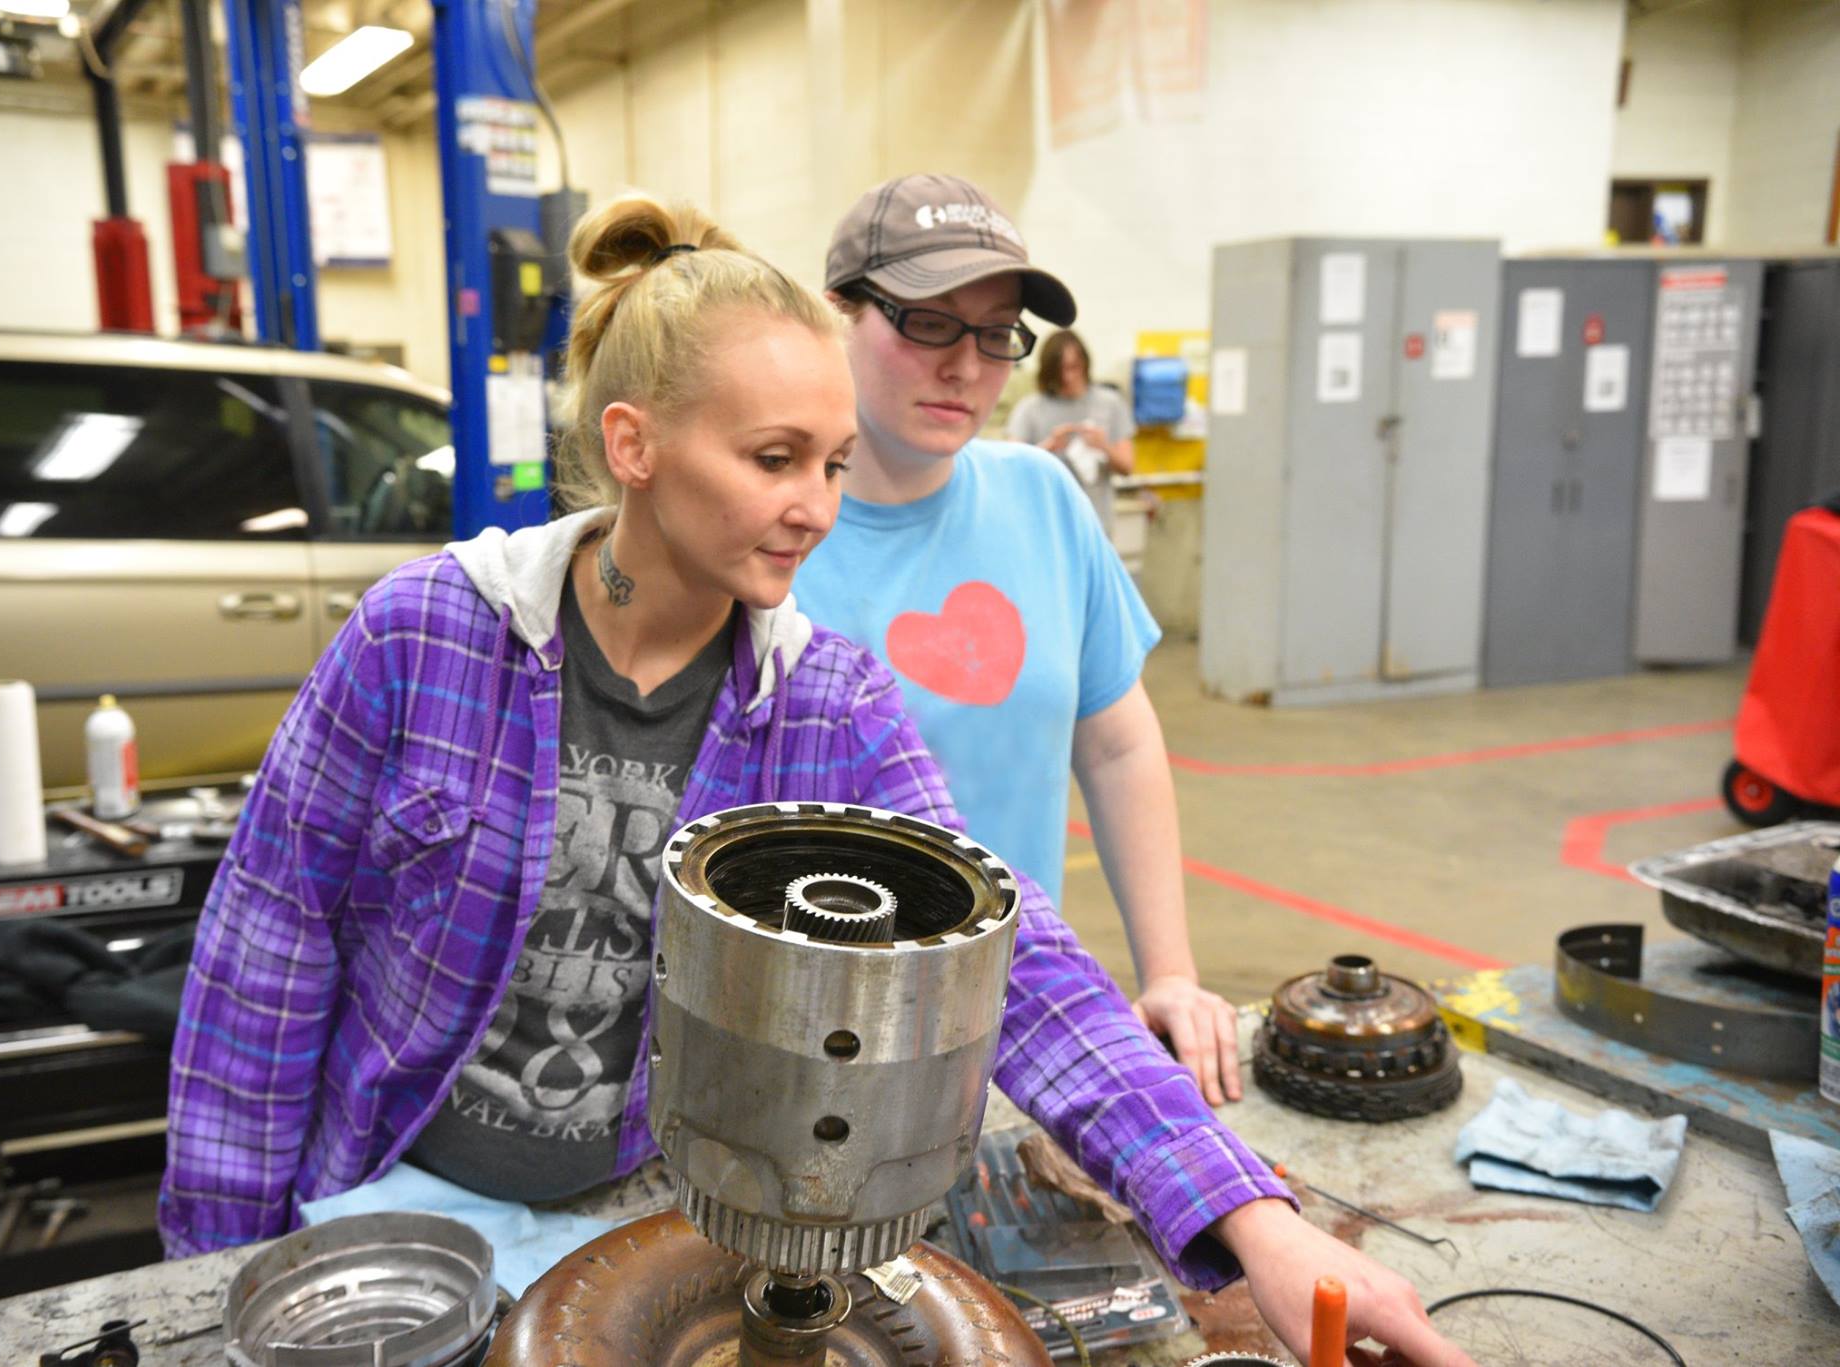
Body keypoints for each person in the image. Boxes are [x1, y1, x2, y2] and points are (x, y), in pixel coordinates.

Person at [159, 192, 1470, 1367]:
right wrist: (212, 1278)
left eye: (835, 463)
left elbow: (1013, 960)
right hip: (392, 1217)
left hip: (644, 1217)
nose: (816, 504)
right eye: (775, 459)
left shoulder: (825, 700)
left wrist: (1256, 1223)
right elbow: (264, 958)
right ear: (635, 444)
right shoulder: (424, 638)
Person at [794, 173, 1243, 1109]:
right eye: (927, 321)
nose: (966, 366)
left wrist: (1168, 972)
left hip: (1012, 1025)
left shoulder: (1043, 499)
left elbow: (1117, 743)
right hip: (805, 1041)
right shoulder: (775, 535)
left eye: (995, 333)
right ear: (837, 315)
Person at [1008, 328, 1135, 528]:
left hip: (1096, 523)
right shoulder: (1031, 409)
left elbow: (1127, 467)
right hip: (1045, 522)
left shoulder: (1110, 403)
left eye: (1073, 367)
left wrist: (1103, 446)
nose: (1068, 377)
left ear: (1085, 364)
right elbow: (1011, 469)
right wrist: (1048, 447)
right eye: (1060, 370)